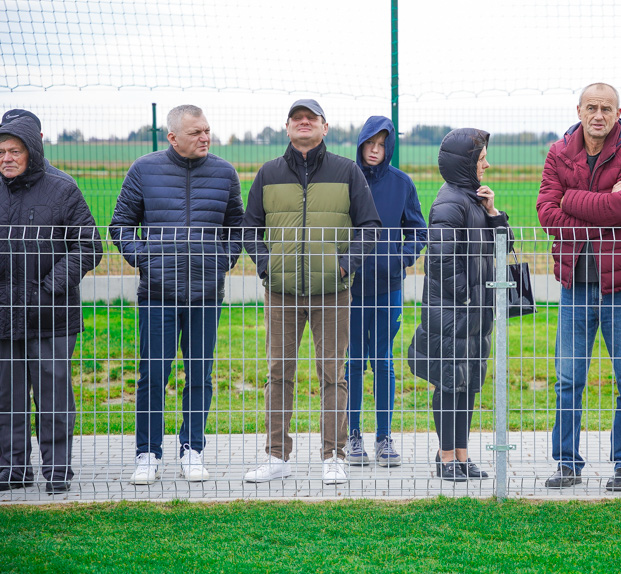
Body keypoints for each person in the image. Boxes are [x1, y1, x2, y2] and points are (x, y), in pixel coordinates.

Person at [243, 99, 381, 485]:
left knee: (333, 375)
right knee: (278, 373)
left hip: (332, 292)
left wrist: (345, 264)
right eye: (297, 119)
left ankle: (333, 456)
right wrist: (266, 264)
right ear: (286, 128)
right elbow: (249, 227)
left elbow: (369, 226)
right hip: (282, 291)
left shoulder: (347, 171)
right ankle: (276, 456)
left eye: (311, 119)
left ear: (325, 127)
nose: (304, 123)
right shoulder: (268, 173)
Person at [110, 105, 244, 484]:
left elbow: (237, 227)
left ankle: (193, 449)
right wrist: (145, 259)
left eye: (207, 130)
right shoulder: (144, 169)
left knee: (200, 374)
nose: (205, 137)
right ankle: (147, 453)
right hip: (157, 294)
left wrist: (221, 261)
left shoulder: (224, 172)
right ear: (173, 137)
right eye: (195, 132)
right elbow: (121, 225)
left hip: (205, 293)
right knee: (153, 374)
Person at [536, 83, 621, 491]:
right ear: (579, 110)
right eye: (591, 107)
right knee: (568, 379)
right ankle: (567, 464)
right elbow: (546, 213)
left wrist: (572, 198)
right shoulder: (558, 152)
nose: (598, 115)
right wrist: (597, 207)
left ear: (619, 113)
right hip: (575, 283)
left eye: (606, 108)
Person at [0, 114, 103, 494]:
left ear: (33, 149)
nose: (7, 158)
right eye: (1, 152)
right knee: (6, 398)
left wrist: (49, 287)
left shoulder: (62, 189)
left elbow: (89, 246)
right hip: (3, 316)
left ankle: (57, 471)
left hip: (51, 315)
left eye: (14, 151)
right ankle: (11, 471)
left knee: (53, 397)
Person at [407, 128, 509, 481]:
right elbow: (441, 259)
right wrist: (466, 295)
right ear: (465, 164)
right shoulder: (449, 202)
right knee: (450, 384)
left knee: (466, 385)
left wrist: (493, 211)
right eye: (482, 160)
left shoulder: (472, 197)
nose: (488, 165)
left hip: (473, 312)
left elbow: (502, 246)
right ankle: (446, 457)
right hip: (453, 312)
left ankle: (462, 456)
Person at [345, 116, 427, 468]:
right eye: (370, 144)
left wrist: (400, 259)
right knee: (352, 363)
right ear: (361, 143)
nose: (375, 151)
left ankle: (383, 437)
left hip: (387, 288)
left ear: (389, 147)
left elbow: (419, 231)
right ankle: (352, 437)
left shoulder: (402, 184)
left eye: (382, 145)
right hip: (347, 290)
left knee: (383, 362)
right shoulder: (345, 179)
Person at [0, 109, 76, 186]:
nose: (7, 159)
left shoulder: (64, 184)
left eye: (19, 135)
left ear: (39, 138)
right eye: (4, 134)